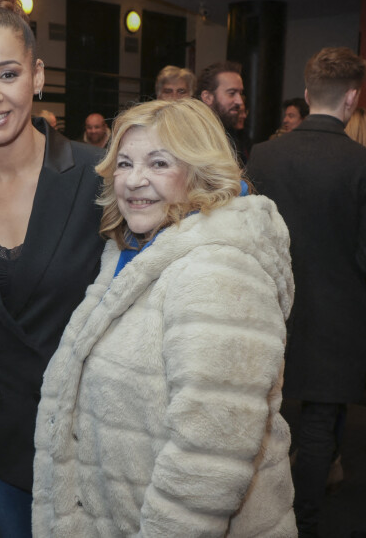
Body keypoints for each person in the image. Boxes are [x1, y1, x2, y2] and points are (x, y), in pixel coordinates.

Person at [33, 98, 297, 537]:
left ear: (198, 171)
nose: (135, 180)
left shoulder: (216, 272)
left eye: (158, 163)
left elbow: (206, 462)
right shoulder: (133, 251)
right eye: (124, 163)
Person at [0, 0, 105, 537]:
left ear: (36, 76)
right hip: (0, 442)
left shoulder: (98, 175)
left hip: (91, 443)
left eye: (8, 73)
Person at [246, 47, 366, 538]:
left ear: (306, 95)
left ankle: (262, 515)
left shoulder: (264, 154)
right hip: (339, 314)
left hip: (272, 306)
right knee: (321, 425)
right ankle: (305, 522)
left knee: (266, 419)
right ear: (351, 98)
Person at [195, 61, 247, 164]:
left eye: (240, 93)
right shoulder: (193, 137)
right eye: (232, 93)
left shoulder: (231, 133)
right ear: (207, 97)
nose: (240, 101)